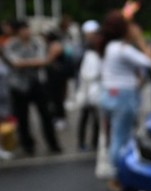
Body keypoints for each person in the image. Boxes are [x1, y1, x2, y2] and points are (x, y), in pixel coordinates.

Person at [100, 2, 151, 191]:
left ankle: (120, 174)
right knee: (120, 138)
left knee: (116, 136)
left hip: (110, 94)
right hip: (123, 95)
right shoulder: (123, 49)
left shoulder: (110, 47)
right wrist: (140, 40)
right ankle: (117, 177)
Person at [3, 20, 62, 156]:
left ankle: (53, 143)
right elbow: (15, 63)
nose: (27, 32)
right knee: (22, 118)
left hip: (36, 83)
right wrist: (40, 61)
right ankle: (27, 145)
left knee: (46, 115)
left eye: (27, 29)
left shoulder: (37, 43)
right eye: (23, 29)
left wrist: (30, 63)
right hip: (19, 85)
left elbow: (42, 60)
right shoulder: (10, 45)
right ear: (17, 32)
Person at [75, 20, 104, 152]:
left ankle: (94, 142)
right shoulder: (82, 49)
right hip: (86, 87)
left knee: (97, 118)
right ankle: (81, 142)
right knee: (85, 116)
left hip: (96, 88)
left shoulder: (100, 49)